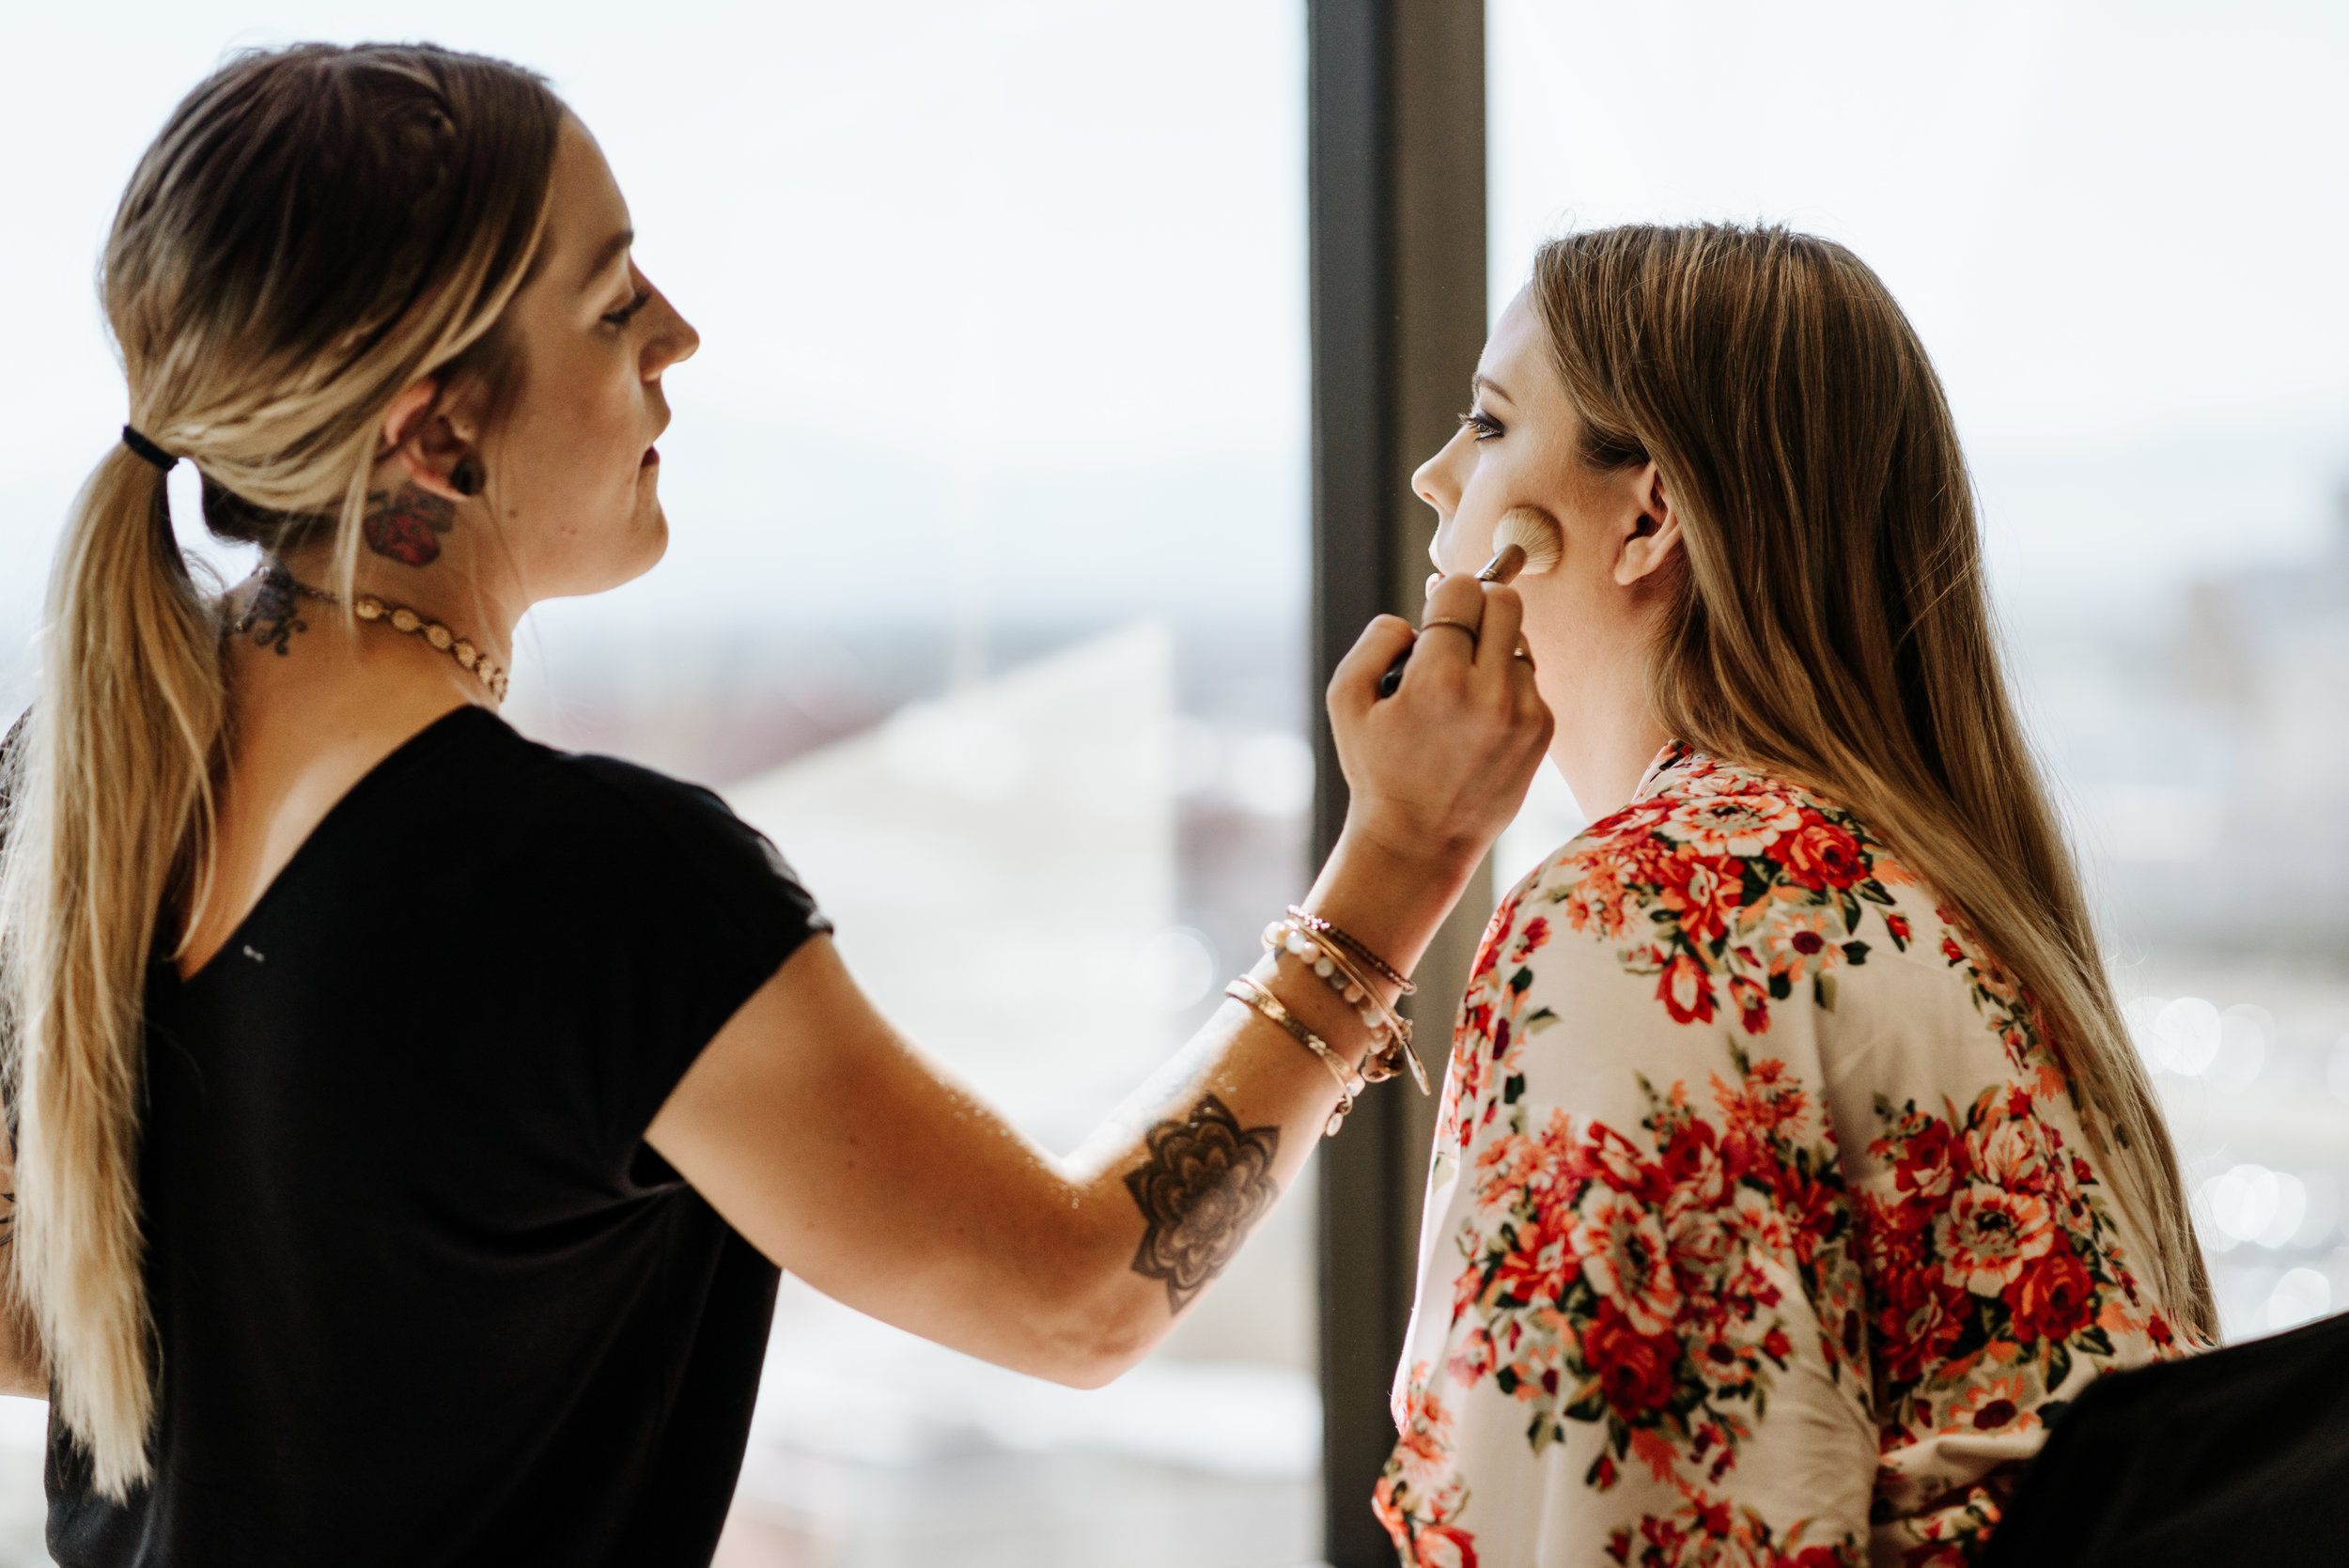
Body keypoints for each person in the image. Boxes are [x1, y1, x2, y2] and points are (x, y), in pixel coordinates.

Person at [0, 44, 1552, 1566]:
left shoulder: (75, 792)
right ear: (437, 430)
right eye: (615, 304)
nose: (679, 334)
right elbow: (1083, 1292)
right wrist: (1404, 856)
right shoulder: (589, 890)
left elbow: (37, 1313)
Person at [1371, 225, 2217, 1568]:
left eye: (1486, 423)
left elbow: (1608, 1534)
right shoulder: (1955, 901)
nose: (1432, 478)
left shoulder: (1639, 918)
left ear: (1648, 514)